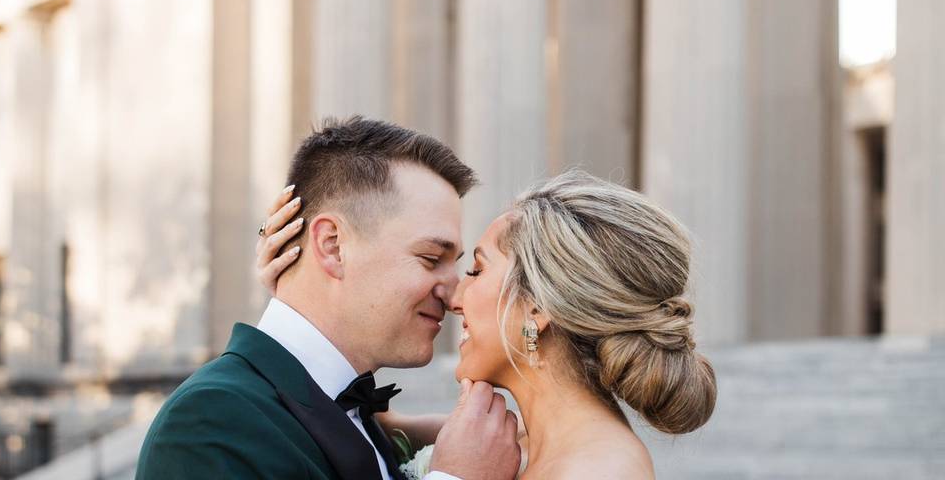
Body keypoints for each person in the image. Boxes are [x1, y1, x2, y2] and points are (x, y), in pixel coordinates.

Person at [260, 167, 717, 478]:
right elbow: (362, 420)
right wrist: (306, 288)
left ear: (537, 308)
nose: (454, 297)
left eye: (476, 270)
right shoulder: (510, 439)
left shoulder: (600, 470)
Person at [137, 117, 521, 480]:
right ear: (333, 246)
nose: (455, 293)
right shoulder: (209, 421)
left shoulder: (360, 416)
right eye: (430, 259)